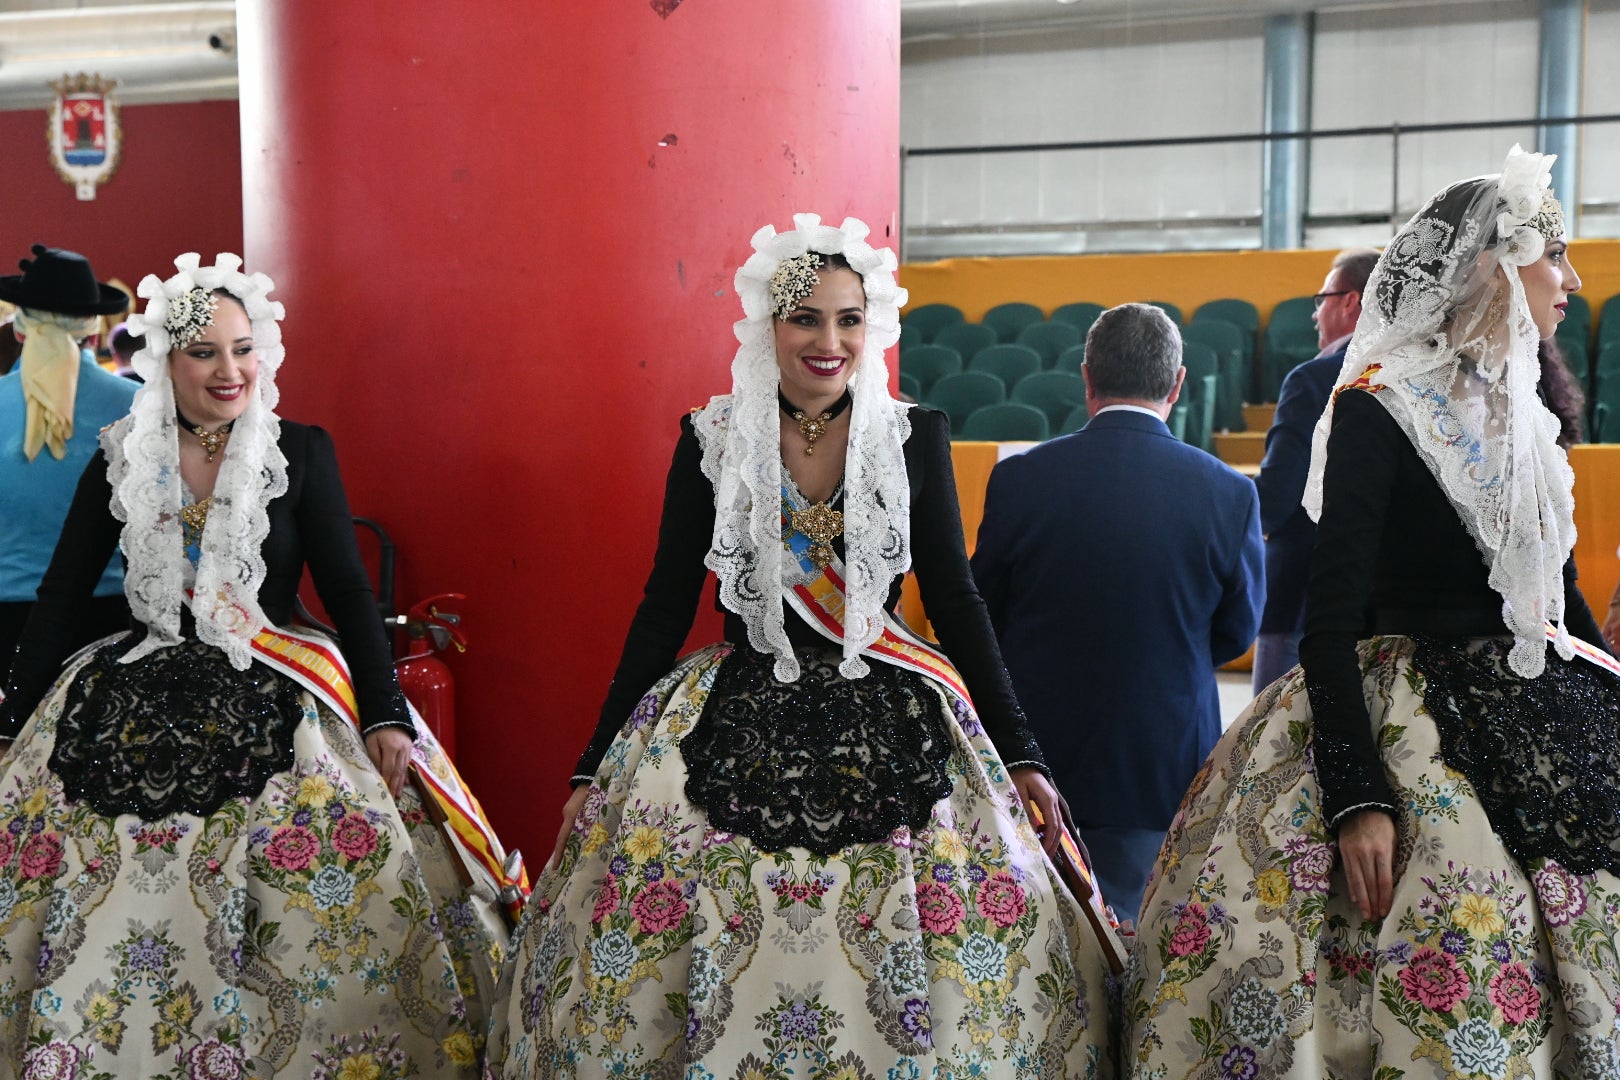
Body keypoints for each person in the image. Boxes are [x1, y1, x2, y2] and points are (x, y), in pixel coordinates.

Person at [486, 215, 1116, 1078]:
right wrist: (594, 765)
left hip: (892, 704)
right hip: (732, 705)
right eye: (805, 318)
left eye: (848, 319)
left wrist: (1023, 753)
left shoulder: (913, 436)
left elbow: (960, 605)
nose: (828, 341)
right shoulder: (710, 440)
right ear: (766, 325)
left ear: (873, 326)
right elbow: (665, 606)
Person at [1123, 146, 1620, 1077]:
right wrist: (1357, 792)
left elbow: (1552, 595)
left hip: (1533, 692)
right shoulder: (1376, 408)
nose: (1572, 279)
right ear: (1492, 265)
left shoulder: (1526, 411)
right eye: (1555, 253)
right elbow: (1330, 617)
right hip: (1405, 708)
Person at [0, 253, 512, 1076]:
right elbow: (62, 596)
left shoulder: (300, 450)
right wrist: (12, 717)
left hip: (277, 676)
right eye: (204, 351)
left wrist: (382, 713)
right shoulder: (119, 453)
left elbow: (347, 590)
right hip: (132, 676)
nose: (228, 370)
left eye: (243, 348)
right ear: (164, 359)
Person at [970, 302, 1263, 921]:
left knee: (1035, 944)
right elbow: (1238, 630)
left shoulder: (1019, 480)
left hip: (1035, 760)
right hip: (1162, 762)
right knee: (1144, 948)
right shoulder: (1229, 492)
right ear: (1178, 383)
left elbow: (982, 614)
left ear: (1086, 376)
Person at [0, 245, 137, 676]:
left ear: (19, 331)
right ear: (93, 333)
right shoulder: (140, 404)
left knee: (19, 742)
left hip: (9, 614)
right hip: (118, 614)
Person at [1251, 249, 1379, 691]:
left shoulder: (1312, 380)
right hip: (1380, 597)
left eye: (1321, 297)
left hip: (1304, 591)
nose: (1314, 313)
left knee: (1276, 748)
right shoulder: (1414, 379)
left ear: (1351, 301)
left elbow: (1278, 493)